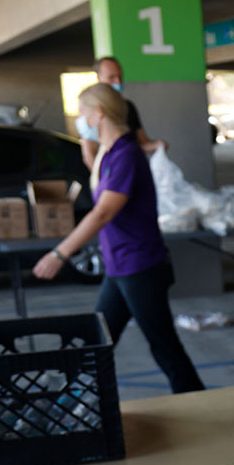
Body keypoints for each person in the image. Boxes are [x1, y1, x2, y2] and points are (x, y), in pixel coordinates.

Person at [33, 83, 204, 395]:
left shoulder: (127, 154)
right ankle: (68, 402)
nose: (79, 120)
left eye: (83, 114)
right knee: (99, 340)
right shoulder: (111, 153)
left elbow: (103, 213)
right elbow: (97, 177)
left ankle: (197, 400)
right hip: (120, 265)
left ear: (98, 114)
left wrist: (59, 254)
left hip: (139, 265)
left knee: (164, 346)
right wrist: (89, 147)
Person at [80, 56, 164, 169]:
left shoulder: (128, 107)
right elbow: (89, 155)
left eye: (120, 77)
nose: (118, 82)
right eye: (111, 77)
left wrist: (158, 145)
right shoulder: (91, 109)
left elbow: (143, 143)